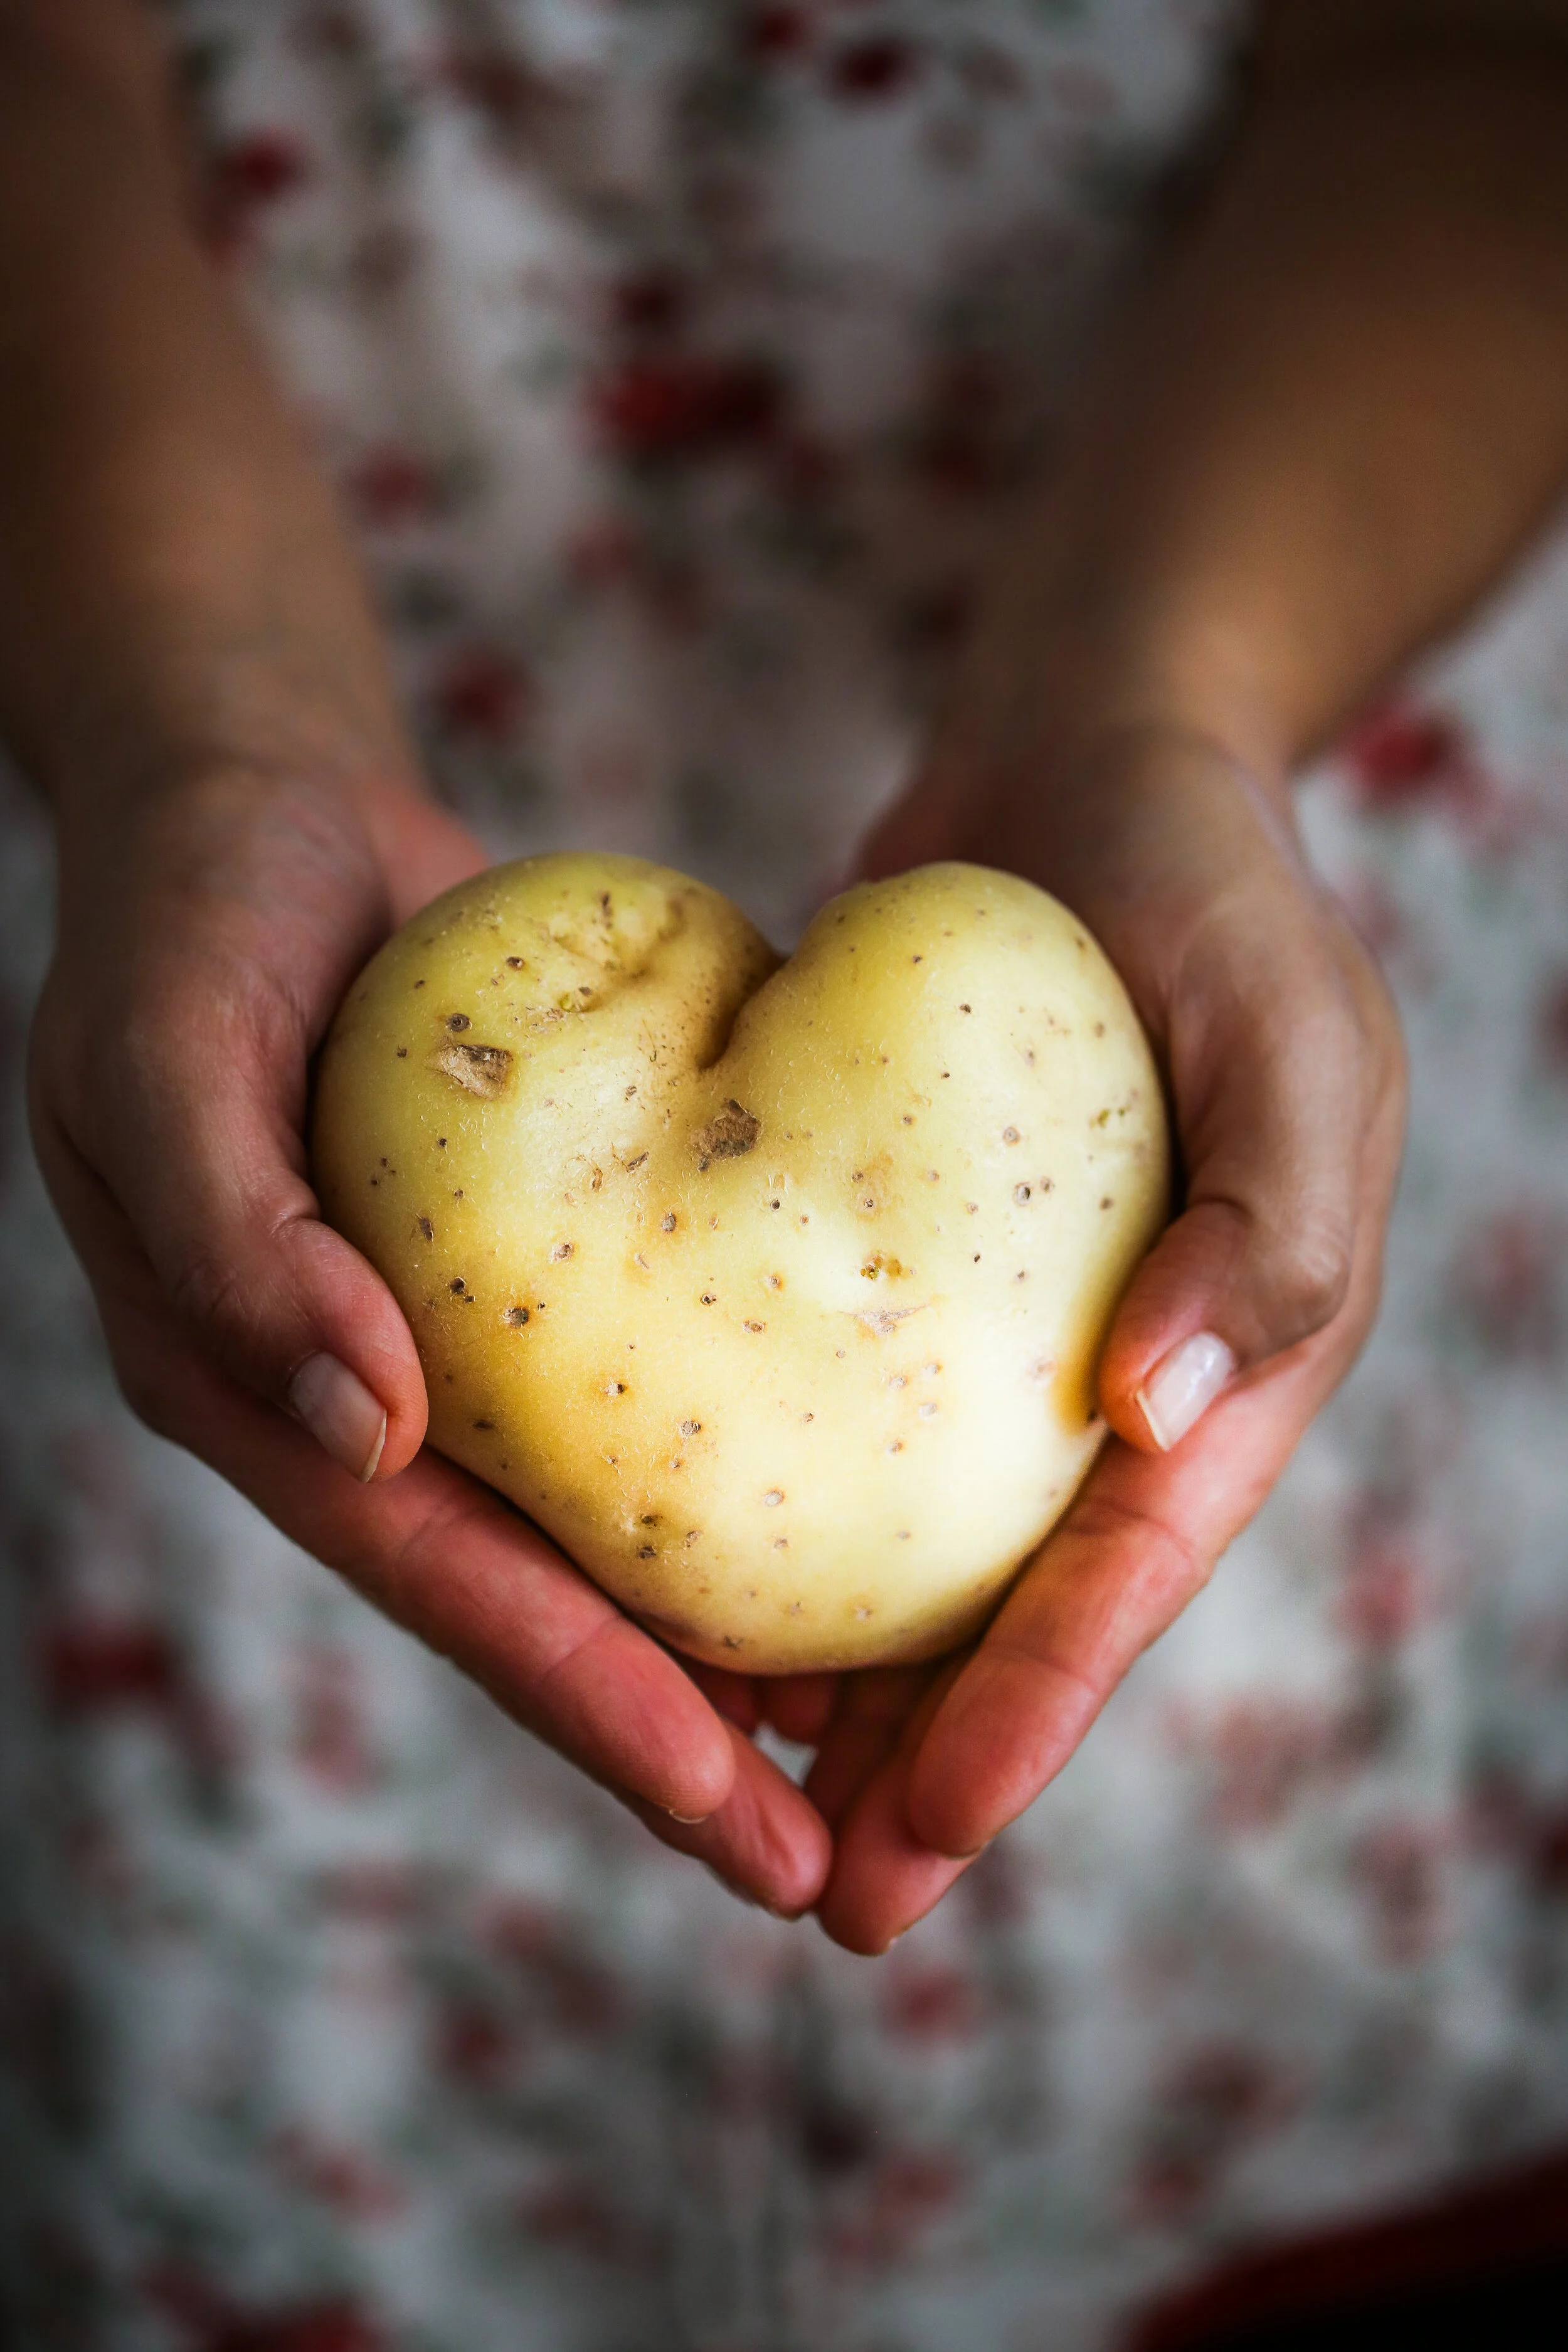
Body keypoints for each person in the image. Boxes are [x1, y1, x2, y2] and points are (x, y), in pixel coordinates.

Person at [4, 0, 1568, 2343]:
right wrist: (202, 739)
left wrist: (1152, 710)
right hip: (197, 842)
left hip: (1241, 721)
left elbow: (1477, 76)